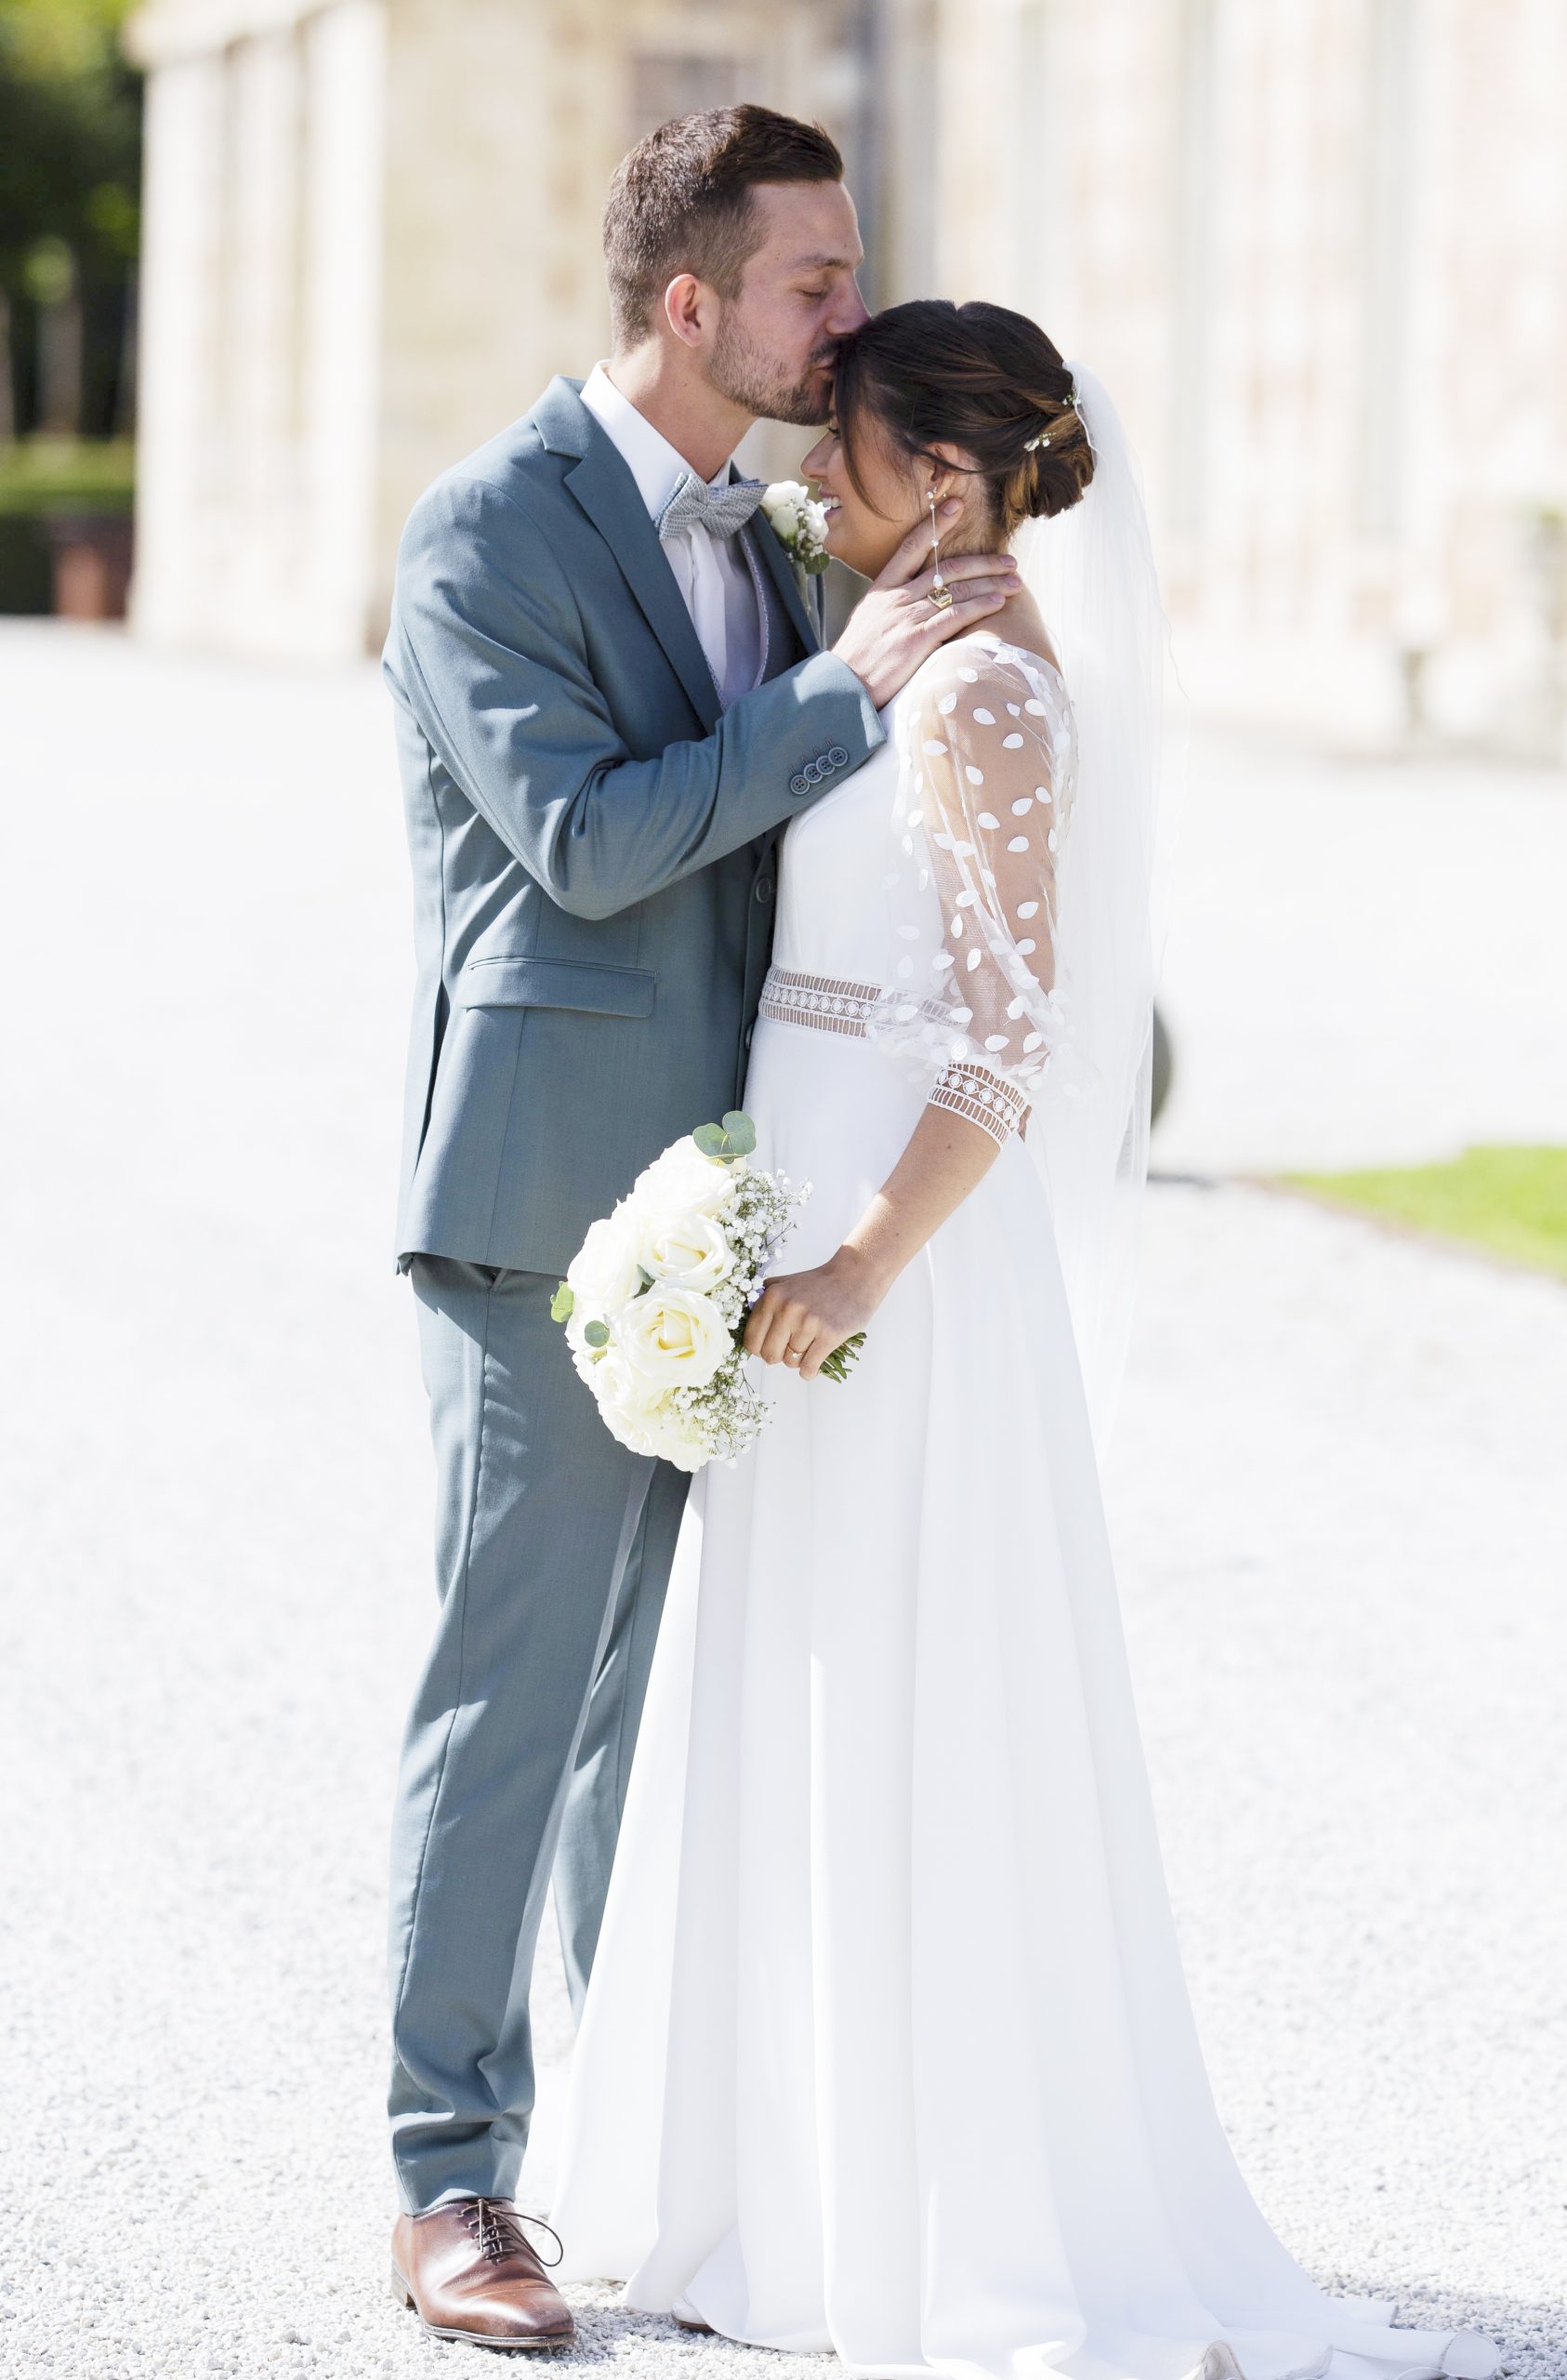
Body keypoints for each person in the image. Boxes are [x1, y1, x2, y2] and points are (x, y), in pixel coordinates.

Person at [549, 300, 1502, 2380]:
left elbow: (1010, 1041)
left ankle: (927, 2221)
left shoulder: (987, 697)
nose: (816, 472)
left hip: (891, 1261)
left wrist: (865, 1262)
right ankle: (769, 2190)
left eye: (852, 445)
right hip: (782, 1201)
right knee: (786, 1686)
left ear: (953, 479)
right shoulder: (880, 658)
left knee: (902, 1695)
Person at [380, 108, 1020, 2349]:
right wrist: (848, 685)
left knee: (672, 1723)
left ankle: (651, 2161)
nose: (847, 321)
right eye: (812, 286)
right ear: (689, 301)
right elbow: (576, 834)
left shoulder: (775, 521)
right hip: (549, 1213)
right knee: (511, 1694)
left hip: (746, 1206)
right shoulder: (482, 531)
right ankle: (450, 2180)